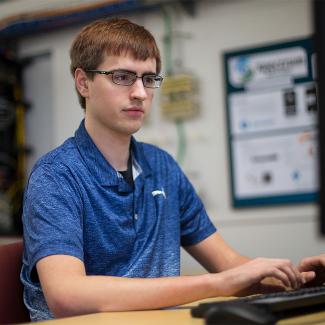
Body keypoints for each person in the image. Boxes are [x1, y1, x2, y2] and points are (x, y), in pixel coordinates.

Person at [20, 18, 318, 322]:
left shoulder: (162, 166)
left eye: (148, 79)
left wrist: (301, 280)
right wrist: (216, 284)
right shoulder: (55, 176)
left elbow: (230, 265)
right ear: (83, 82)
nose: (140, 93)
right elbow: (67, 296)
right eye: (123, 77)